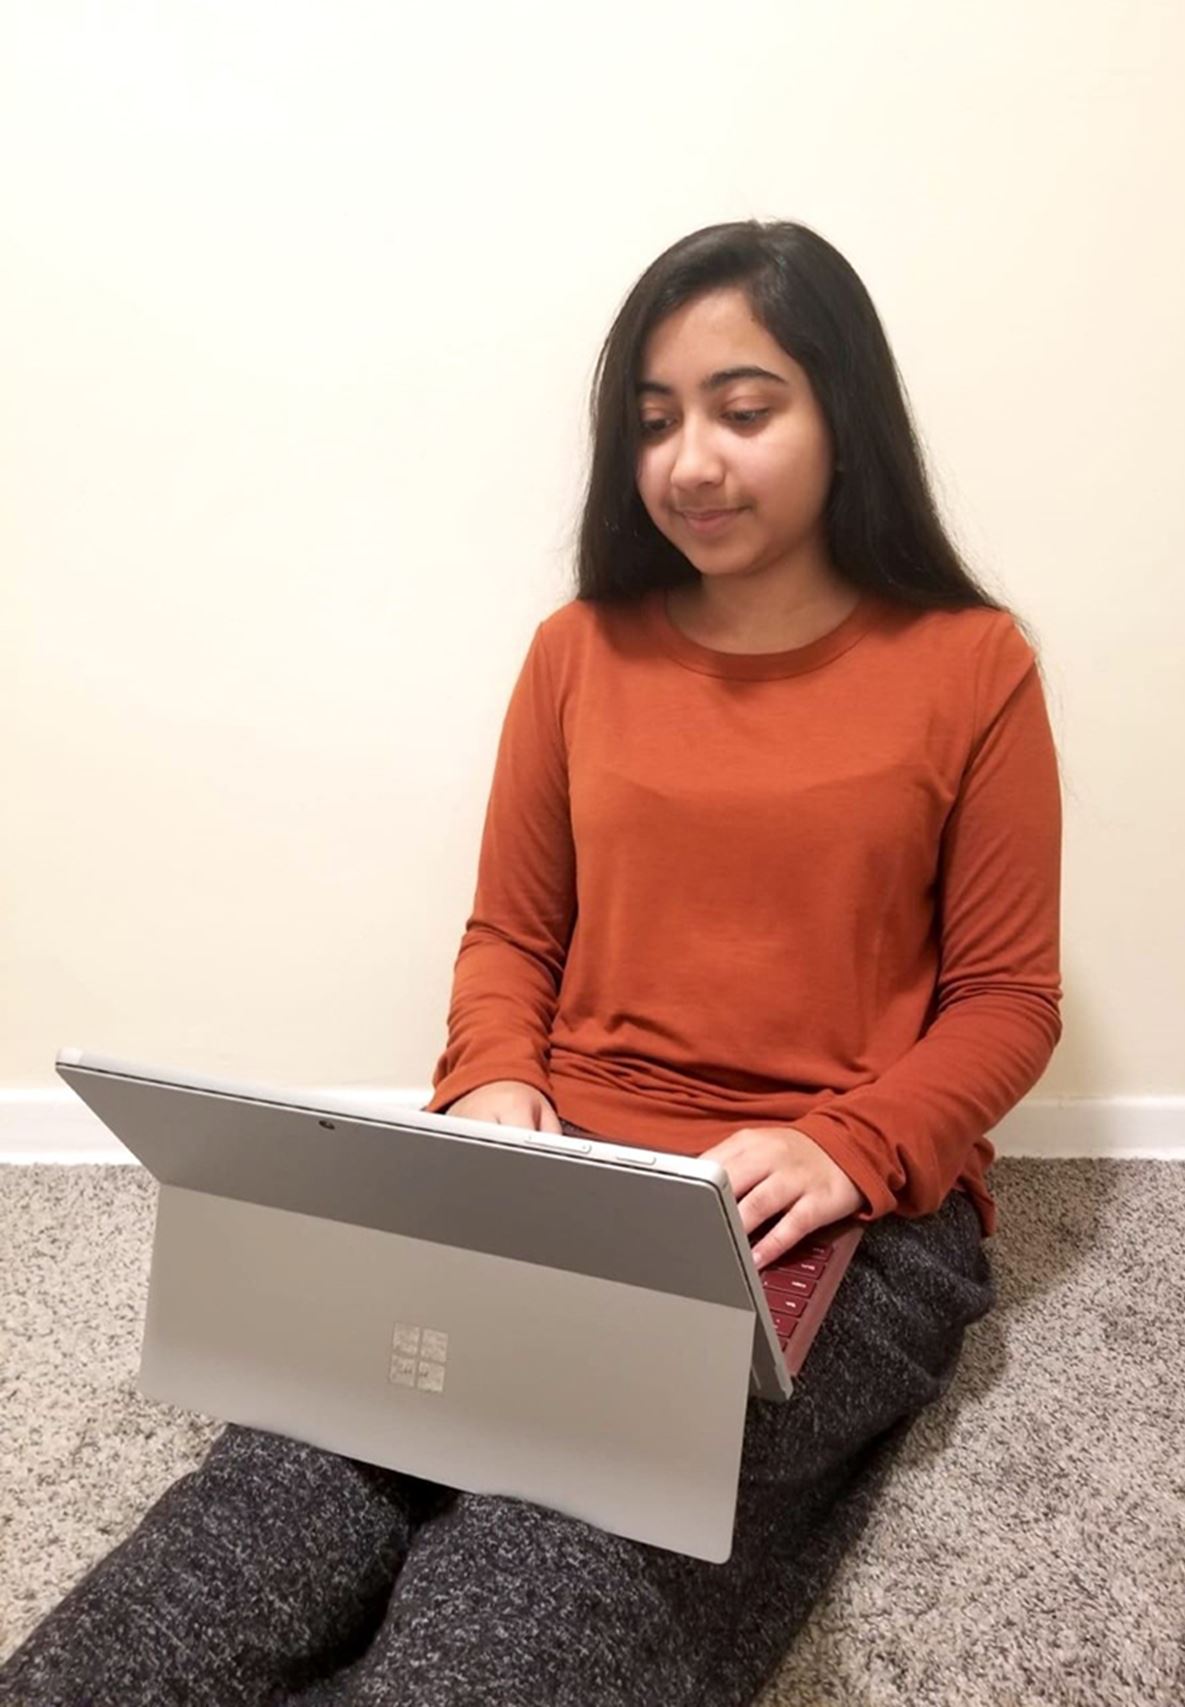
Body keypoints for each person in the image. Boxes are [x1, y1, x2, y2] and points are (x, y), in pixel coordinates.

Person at [0, 218, 1062, 1706]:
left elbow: (1009, 1000)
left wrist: (851, 1143)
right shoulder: (579, 652)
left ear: (845, 417)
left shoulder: (973, 664)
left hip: (828, 1213)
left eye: (743, 410)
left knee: (542, 1557)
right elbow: (511, 935)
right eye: (653, 422)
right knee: (275, 1491)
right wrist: (496, 1080)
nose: (689, 459)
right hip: (561, 1174)